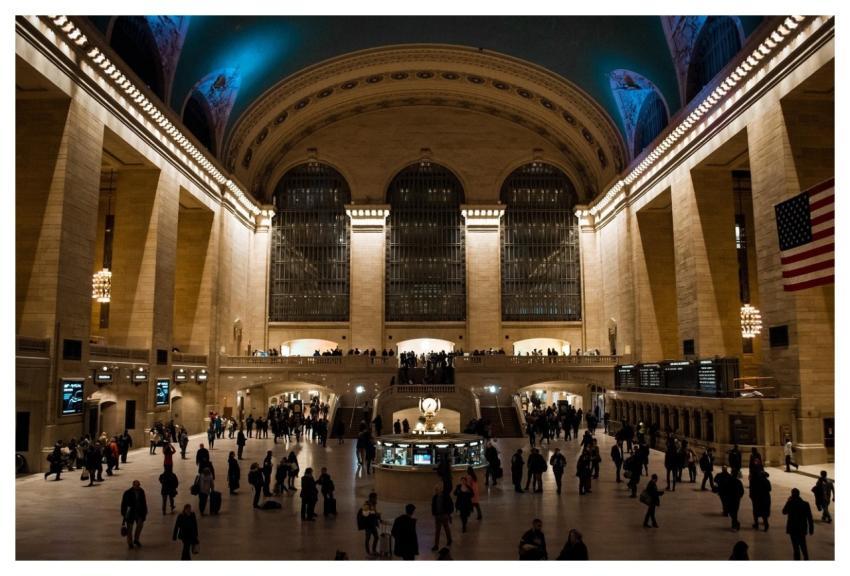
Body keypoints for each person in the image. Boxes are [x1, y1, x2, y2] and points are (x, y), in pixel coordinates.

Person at [782, 488, 815, 560]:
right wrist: (811, 529)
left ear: (792, 494)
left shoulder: (790, 503)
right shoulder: (805, 504)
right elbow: (809, 517)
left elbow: (784, 512)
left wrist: (788, 501)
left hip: (792, 529)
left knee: (795, 547)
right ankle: (806, 558)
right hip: (802, 528)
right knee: (803, 546)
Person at [120, 480, 148, 549]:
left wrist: (145, 511)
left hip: (139, 512)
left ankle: (136, 539)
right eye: (136, 485)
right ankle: (130, 543)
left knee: (140, 526)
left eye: (138, 485)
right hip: (130, 513)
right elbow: (124, 504)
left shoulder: (141, 491)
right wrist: (124, 513)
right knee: (129, 529)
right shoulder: (127, 493)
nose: (137, 487)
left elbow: (144, 502)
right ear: (133, 485)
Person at [431, 484, 454, 551]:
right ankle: (436, 545)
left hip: (444, 515)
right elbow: (433, 505)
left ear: (441, 489)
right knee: (437, 531)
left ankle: (449, 539)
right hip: (437, 515)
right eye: (435, 489)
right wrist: (434, 513)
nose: (436, 491)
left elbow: (450, 505)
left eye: (437, 489)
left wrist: (448, 513)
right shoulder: (435, 497)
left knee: (446, 528)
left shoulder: (446, 496)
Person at [360, 492, 381, 557]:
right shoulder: (366, 504)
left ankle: (374, 550)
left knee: (376, 537)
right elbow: (365, 514)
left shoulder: (373, 504)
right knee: (368, 538)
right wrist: (375, 514)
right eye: (375, 498)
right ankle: (368, 553)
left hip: (372, 524)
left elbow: (374, 512)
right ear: (372, 498)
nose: (376, 499)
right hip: (368, 525)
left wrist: (378, 517)